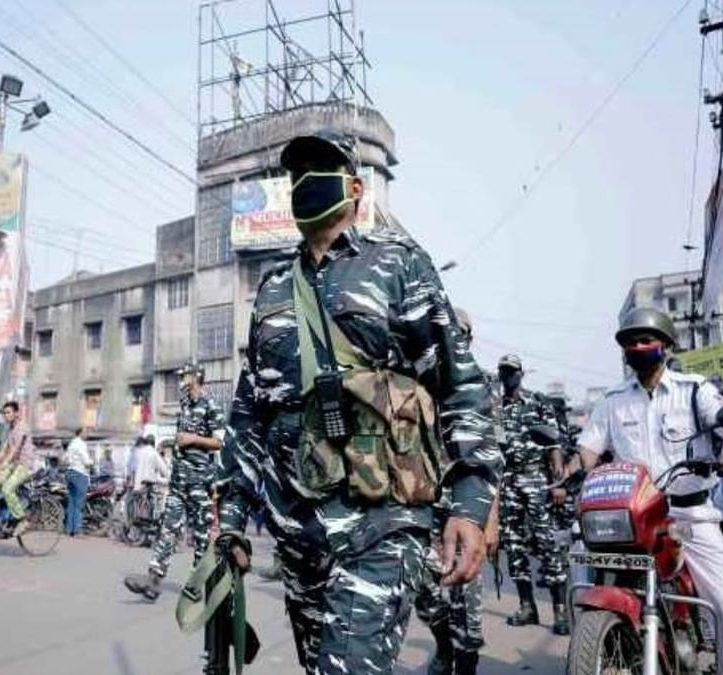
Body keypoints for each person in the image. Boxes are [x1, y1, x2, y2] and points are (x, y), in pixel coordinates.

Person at [214, 132, 501, 675]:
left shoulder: (398, 265)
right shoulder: (275, 287)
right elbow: (250, 410)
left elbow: (458, 383)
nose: (304, 182)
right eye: (295, 174)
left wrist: (470, 501)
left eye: (320, 169)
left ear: (354, 187)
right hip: (297, 528)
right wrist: (230, 517)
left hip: (383, 520)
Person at [575, 307, 723, 674]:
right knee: (578, 556)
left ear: (666, 345)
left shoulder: (694, 390)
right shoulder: (613, 400)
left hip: (689, 515)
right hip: (635, 516)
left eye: (646, 340)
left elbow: (721, 416)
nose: (638, 347)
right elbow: (589, 447)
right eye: (631, 342)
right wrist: (582, 469)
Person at [413, 309, 501, 675]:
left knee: (466, 602)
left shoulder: (481, 385)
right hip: (422, 507)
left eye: (462, 332)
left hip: (466, 508)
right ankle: (444, 647)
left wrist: (489, 518)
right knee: (426, 596)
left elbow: (491, 458)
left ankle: (465, 664)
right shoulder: (416, 379)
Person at [124, 364, 225, 601]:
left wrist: (192, 439)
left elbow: (220, 442)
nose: (180, 379)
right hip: (179, 483)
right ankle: (154, 580)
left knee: (200, 535)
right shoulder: (184, 405)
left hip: (201, 482)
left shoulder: (211, 405)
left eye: (184, 376)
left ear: (197, 378)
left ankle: (197, 584)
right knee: (168, 529)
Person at [495, 353, 570, 635]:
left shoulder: (538, 402)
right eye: (504, 371)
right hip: (510, 478)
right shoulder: (497, 408)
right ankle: (527, 606)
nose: (508, 376)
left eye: (512, 371)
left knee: (547, 541)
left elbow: (554, 442)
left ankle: (559, 611)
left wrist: (558, 480)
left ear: (521, 373)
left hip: (537, 475)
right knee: (514, 544)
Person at [0, 401, 36, 536]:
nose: (5, 416)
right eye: (4, 413)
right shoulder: (11, 429)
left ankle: (22, 519)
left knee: (7, 489)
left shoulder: (22, 428)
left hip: (25, 465)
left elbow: (14, 450)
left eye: (8, 412)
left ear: (16, 413)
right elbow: (4, 451)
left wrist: (1, 466)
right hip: (13, 465)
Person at [64, 427, 93, 536]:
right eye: (86, 432)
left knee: (71, 502)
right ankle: (77, 529)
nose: (87, 434)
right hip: (80, 473)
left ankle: (69, 529)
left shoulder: (71, 444)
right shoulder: (81, 444)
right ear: (81, 433)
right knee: (79, 504)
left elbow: (65, 458)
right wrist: (92, 462)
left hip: (70, 473)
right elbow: (86, 461)